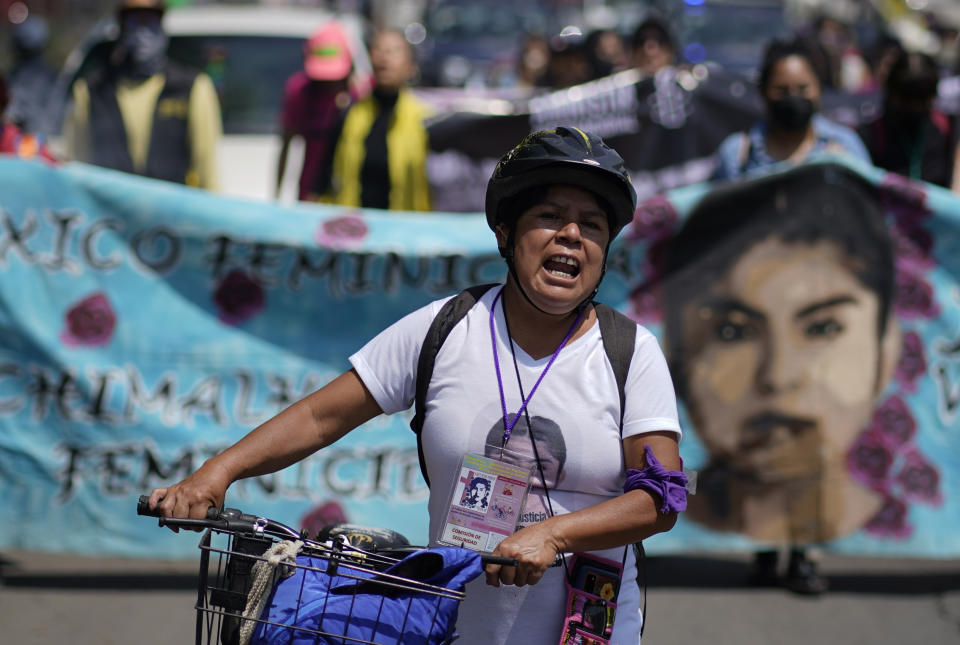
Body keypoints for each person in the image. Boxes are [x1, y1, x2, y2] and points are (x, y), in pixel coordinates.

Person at [148, 126, 685, 644]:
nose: (571, 234)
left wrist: (553, 534)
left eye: (591, 224)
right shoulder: (444, 328)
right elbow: (319, 418)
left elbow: (658, 500)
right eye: (550, 217)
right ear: (505, 233)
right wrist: (216, 473)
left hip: (591, 632)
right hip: (454, 630)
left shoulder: (630, 353)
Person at [661, 162, 901, 595]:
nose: (779, 376)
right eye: (733, 332)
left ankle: (803, 554)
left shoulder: (842, 151)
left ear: (886, 353)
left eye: (823, 328)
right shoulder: (735, 153)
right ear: (677, 358)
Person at [63, 0, 222, 190]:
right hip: (114, 213)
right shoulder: (91, 91)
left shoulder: (190, 88)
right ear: (120, 30)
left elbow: (207, 173)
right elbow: (77, 169)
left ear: (162, 29)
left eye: (150, 23)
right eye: (133, 24)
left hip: (172, 213)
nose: (142, 34)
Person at [711, 38, 870, 181]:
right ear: (763, 92)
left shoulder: (846, 146)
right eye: (782, 90)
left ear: (818, 89)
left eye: (803, 89)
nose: (793, 98)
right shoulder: (738, 156)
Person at [313, 29, 431, 211]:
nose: (384, 57)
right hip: (354, 229)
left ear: (411, 67)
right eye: (378, 49)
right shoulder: (350, 114)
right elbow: (324, 174)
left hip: (406, 232)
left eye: (393, 51)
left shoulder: (425, 119)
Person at [275, 21, 353, 202]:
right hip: (309, 195)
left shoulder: (361, 95)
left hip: (348, 199)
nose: (328, 83)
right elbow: (286, 144)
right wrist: (276, 197)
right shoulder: (299, 91)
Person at [859, 50, 956, 190]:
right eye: (908, 100)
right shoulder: (871, 134)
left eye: (922, 100)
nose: (916, 108)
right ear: (892, 94)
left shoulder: (949, 129)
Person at [6, 15, 58, 136]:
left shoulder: (14, 78)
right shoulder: (54, 77)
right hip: (47, 141)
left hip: (24, 144)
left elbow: (13, 113)